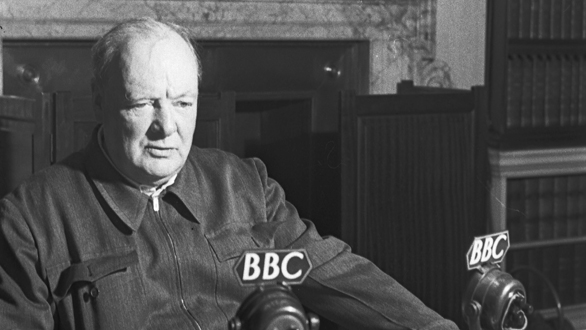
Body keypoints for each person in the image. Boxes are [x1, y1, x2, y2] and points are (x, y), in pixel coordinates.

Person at [0, 17, 459, 330]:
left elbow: (333, 270)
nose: (167, 127)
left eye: (183, 103)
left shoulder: (245, 184)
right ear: (99, 101)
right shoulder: (31, 219)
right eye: (143, 104)